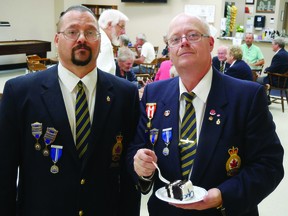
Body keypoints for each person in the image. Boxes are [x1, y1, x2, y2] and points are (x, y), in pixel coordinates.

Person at [127, 13, 284, 216]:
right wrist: (140, 166)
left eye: (192, 35)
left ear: (210, 43)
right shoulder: (153, 94)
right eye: (175, 39)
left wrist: (223, 195)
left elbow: (268, 164)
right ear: (169, 50)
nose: (183, 43)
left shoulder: (247, 96)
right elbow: (136, 148)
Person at [0, 5, 141, 216]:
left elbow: (129, 171)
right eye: (72, 31)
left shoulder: (125, 94)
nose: (82, 38)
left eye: (91, 32)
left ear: (100, 41)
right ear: (57, 40)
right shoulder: (20, 92)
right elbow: (5, 170)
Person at [97, 9, 129, 75]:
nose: (124, 32)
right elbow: (104, 78)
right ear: (109, 24)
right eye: (122, 27)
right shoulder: (105, 43)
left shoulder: (98, 38)